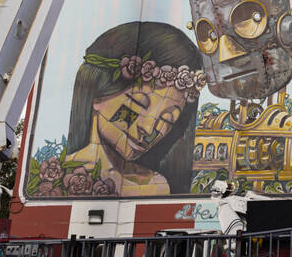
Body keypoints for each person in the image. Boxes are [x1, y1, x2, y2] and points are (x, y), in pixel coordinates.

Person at [55, 21, 205, 197]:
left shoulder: (157, 186)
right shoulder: (53, 179)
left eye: (167, 120)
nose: (149, 129)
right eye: (138, 104)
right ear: (98, 93)